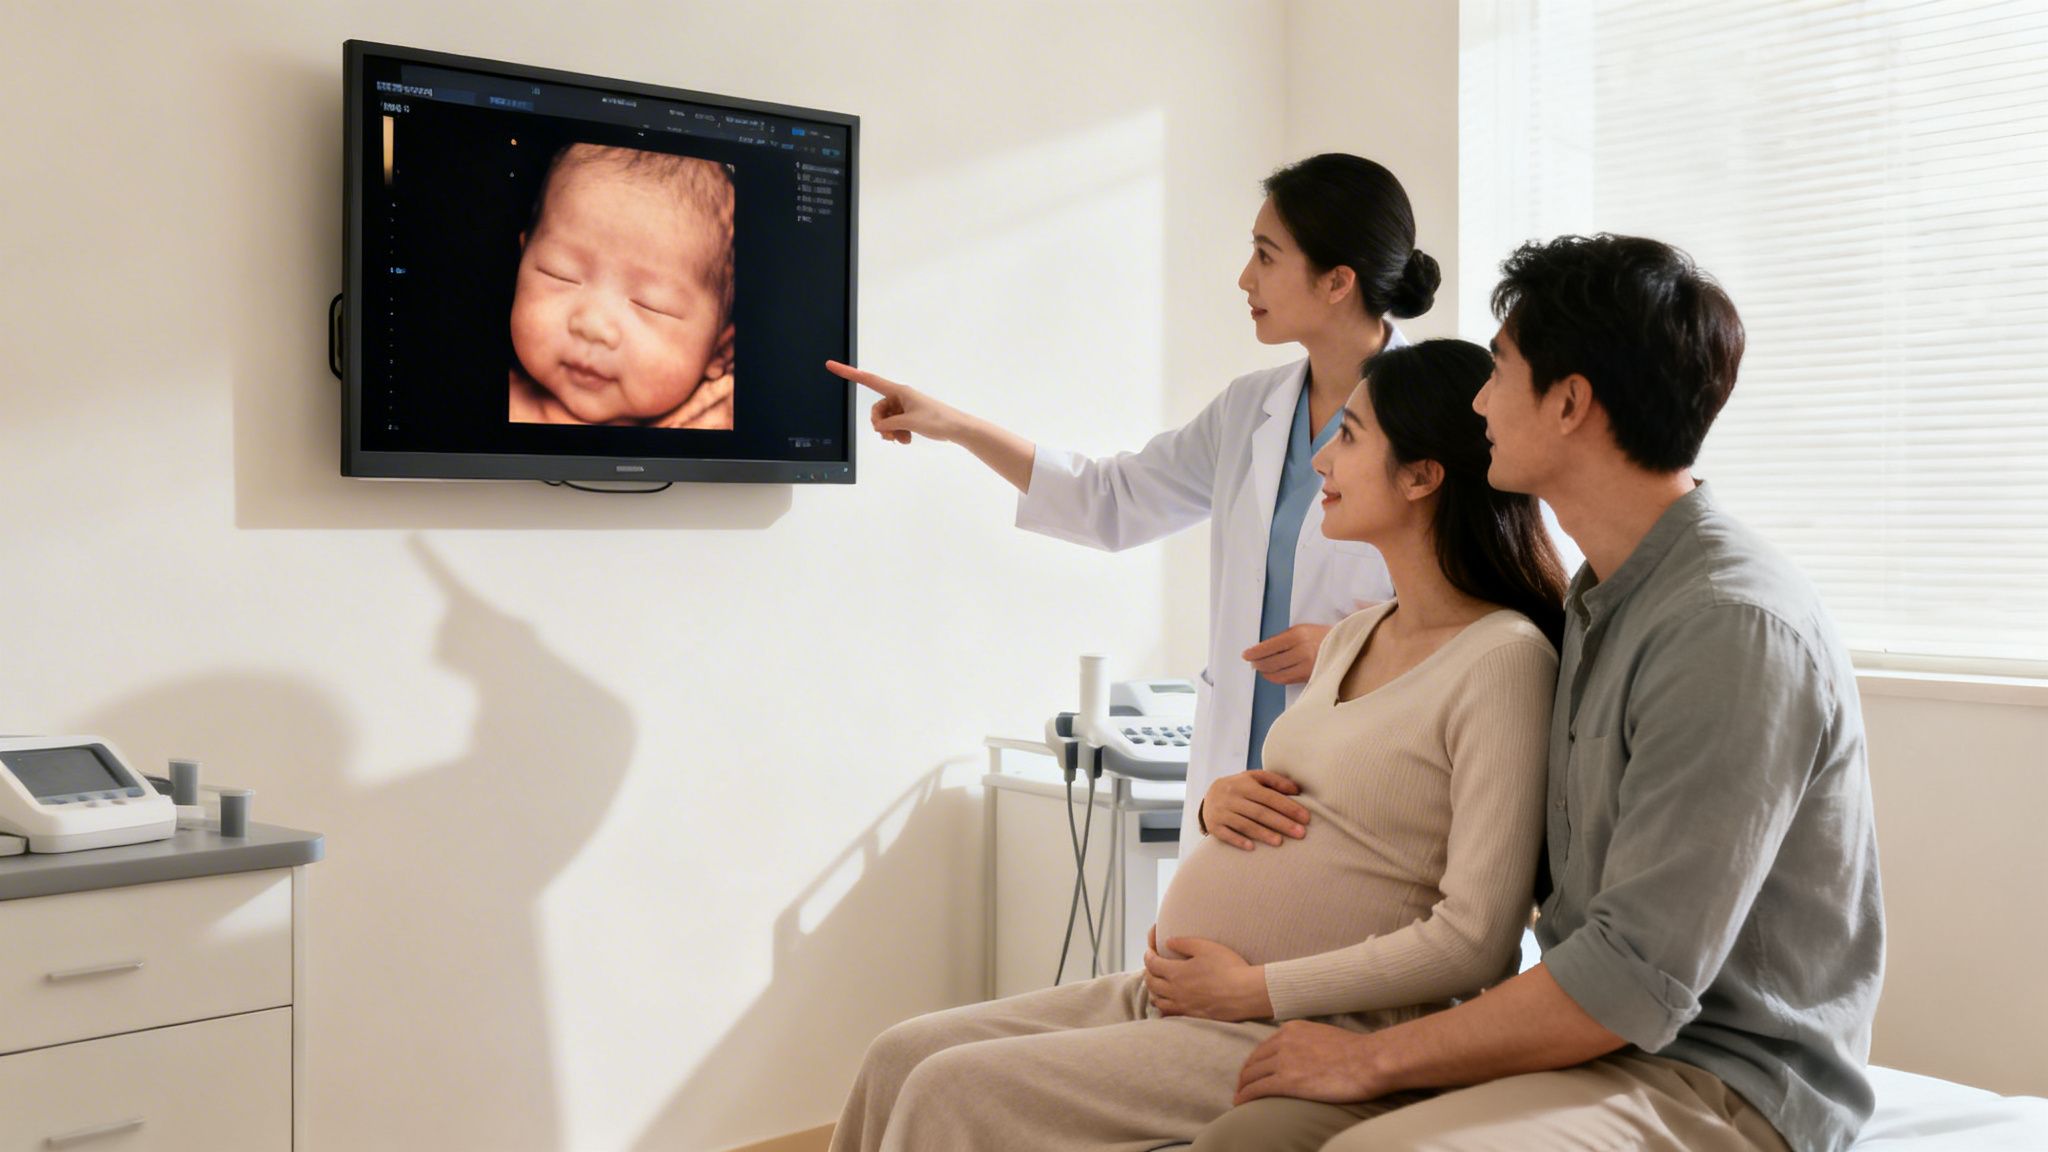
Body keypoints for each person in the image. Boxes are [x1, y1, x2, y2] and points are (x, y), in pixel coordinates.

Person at [1192, 235, 1885, 1152]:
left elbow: (1632, 978)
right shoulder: (1600, 599)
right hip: (1593, 1049)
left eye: (1499, 371)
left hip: (1718, 1076)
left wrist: (1370, 1058)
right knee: (1248, 1138)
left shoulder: (1727, 626)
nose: (1479, 400)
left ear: (1569, 403)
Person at [827, 339, 1566, 1152]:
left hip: (1311, 1019)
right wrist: (1219, 803)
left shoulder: (1502, 662)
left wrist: (1255, 988)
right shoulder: (1357, 636)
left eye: (1349, 437)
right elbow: (1323, 800)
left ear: (1421, 476)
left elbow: (1476, 940)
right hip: (1189, 991)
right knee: (899, 1054)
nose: (1321, 458)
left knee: (952, 1090)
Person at [826, 154, 1441, 844]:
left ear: (1337, 281)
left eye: (1266, 256)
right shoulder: (1250, 410)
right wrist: (958, 426)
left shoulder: (1439, 416)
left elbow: (1493, 620)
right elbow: (1112, 500)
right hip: (1233, 787)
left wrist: (1354, 648)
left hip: (1359, 787)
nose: (1246, 277)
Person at [507, 142, 736, 429]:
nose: (593, 327)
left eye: (651, 305)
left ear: (720, 352)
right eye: (560, 274)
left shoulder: (713, 424)